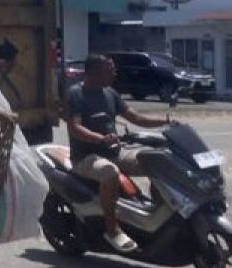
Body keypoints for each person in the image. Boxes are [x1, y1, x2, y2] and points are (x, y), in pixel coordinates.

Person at [65, 53, 170, 253]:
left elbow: (135, 117)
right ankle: (112, 229)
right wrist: (100, 138)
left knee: (156, 161)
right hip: (86, 158)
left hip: (115, 152)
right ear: (94, 72)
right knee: (109, 172)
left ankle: (159, 213)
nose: (114, 73)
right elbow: (75, 129)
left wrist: (166, 121)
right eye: (109, 70)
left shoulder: (110, 93)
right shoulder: (76, 94)